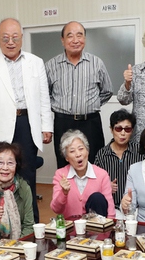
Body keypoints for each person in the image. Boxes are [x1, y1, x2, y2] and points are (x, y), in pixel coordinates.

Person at [0, 18, 53, 219]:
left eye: (15, 37)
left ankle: (31, 225)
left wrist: (46, 126)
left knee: (27, 177)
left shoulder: (35, 62)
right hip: (0, 128)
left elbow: (43, 98)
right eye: (5, 37)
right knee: (0, 178)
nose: (10, 42)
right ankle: (0, 226)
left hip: (27, 124)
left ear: (21, 38)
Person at [45, 21, 113, 168]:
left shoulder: (96, 63)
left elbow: (107, 91)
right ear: (62, 40)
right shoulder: (51, 66)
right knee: (65, 165)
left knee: (95, 163)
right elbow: (44, 95)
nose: (75, 40)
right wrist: (57, 105)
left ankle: (93, 192)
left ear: (85, 39)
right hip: (63, 123)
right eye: (70, 36)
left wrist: (90, 103)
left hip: (91, 123)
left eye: (79, 35)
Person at [50, 130, 115, 219]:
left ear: (87, 151)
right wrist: (63, 193)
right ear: (67, 158)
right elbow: (56, 209)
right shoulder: (60, 174)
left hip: (96, 229)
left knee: (97, 198)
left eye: (81, 149)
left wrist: (105, 232)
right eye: (72, 151)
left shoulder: (102, 174)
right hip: (71, 230)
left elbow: (110, 212)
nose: (78, 154)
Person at [94, 109, 144, 209]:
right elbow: (93, 184)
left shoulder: (140, 152)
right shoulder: (102, 154)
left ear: (132, 131)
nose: (123, 133)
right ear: (111, 129)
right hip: (110, 207)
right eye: (118, 129)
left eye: (127, 129)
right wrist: (105, 186)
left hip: (136, 207)